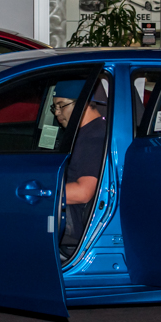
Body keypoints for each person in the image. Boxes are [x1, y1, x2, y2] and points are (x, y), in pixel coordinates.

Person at [52, 80, 107, 254]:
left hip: (74, 232)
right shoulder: (85, 133)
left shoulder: (93, 138)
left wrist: (42, 192)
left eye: (62, 106)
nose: (57, 113)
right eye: (55, 108)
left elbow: (84, 192)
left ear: (83, 103)